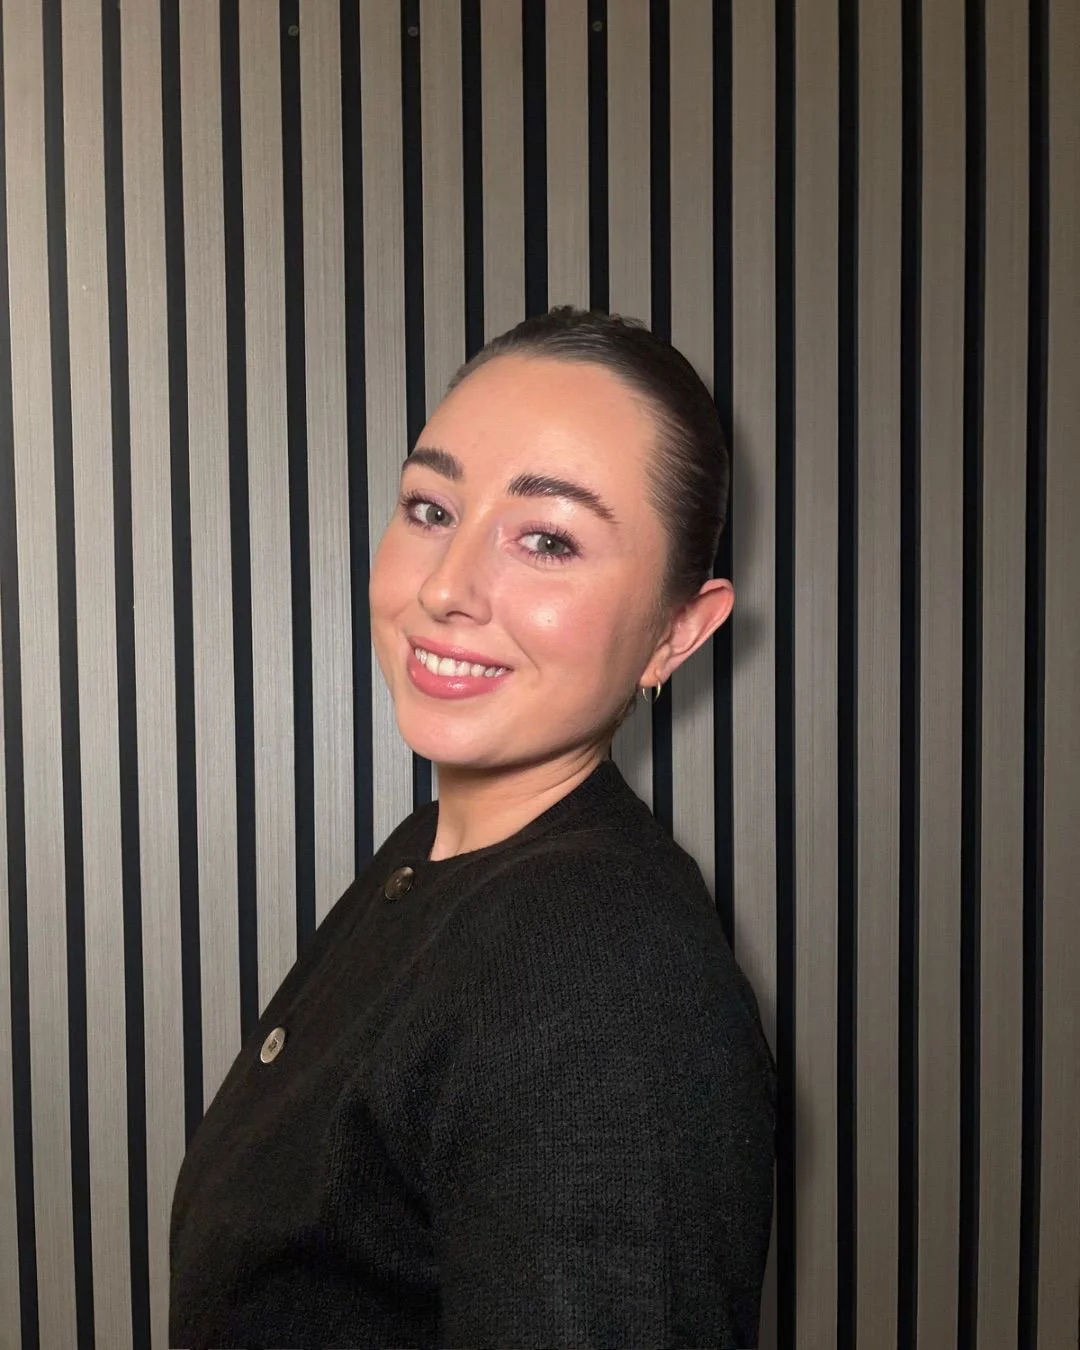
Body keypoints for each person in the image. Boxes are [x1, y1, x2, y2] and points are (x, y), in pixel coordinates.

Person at [169, 306, 776, 1348]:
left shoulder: (592, 965)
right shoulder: (438, 859)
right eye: (431, 506)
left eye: (547, 539)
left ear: (678, 632)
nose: (446, 588)